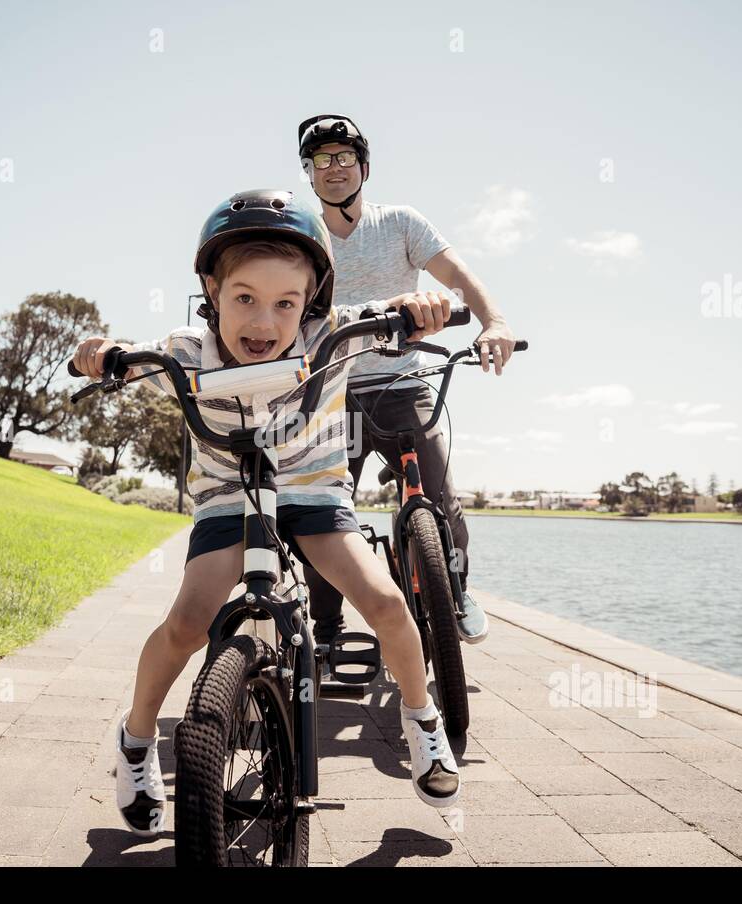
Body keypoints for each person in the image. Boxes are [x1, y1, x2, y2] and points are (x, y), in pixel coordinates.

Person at [71, 189, 462, 837]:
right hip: (229, 494)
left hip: (313, 492)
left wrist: (417, 308)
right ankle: (136, 742)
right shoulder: (187, 351)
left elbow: (392, 312)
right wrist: (101, 352)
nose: (264, 321)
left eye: (286, 303)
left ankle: (423, 721)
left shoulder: (335, 335)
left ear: (311, 302)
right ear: (211, 290)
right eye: (244, 297)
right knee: (188, 623)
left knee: (387, 604)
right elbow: (121, 352)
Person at [296, 113, 520, 647]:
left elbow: (461, 277)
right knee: (321, 512)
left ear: (363, 166)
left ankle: (456, 589)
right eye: (321, 160)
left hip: (402, 385)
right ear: (309, 173)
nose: (334, 168)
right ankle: (326, 628)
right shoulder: (302, 234)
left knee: (440, 496)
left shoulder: (400, 223)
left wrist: (496, 322)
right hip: (331, 392)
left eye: (344, 157)